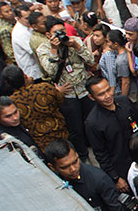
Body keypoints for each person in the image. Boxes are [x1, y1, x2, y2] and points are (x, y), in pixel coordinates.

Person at [43, 139, 131, 211]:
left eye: (75, 162)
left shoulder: (98, 179)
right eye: (65, 167)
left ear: (77, 155)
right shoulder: (50, 183)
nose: (73, 169)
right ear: (52, 167)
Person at [37, 17, 96, 158]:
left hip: (84, 90)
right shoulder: (43, 49)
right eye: (56, 33)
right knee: (75, 128)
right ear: (48, 35)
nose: (61, 35)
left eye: (62, 31)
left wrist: (76, 46)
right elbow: (50, 71)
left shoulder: (74, 40)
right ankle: (82, 155)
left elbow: (91, 60)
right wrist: (54, 50)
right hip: (67, 94)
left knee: (92, 123)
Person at [84, 76, 138, 195]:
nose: (107, 96)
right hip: (123, 170)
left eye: (108, 90)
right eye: (101, 94)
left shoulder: (124, 101)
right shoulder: (92, 123)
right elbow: (101, 154)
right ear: (92, 97)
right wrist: (116, 178)